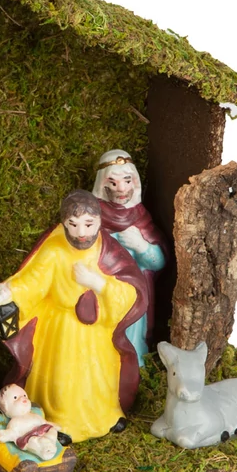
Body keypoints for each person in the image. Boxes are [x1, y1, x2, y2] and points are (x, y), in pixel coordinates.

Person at [0, 190, 146, 441]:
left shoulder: (108, 251)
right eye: (73, 224)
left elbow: (131, 290)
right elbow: (32, 282)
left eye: (88, 224)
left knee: (100, 376)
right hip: (61, 329)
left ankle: (106, 416)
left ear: (99, 221)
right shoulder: (54, 249)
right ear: (64, 223)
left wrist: (98, 283)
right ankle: (60, 421)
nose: (81, 232)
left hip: (98, 331)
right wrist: (8, 292)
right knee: (64, 379)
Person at [91, 149, 167, 363]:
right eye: (113, 183)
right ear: (102, 184)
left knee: (132, 339)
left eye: (126, 181)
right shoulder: (92, 216)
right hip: (101, 291)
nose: (121, 189)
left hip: (134, 295)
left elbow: (159, 262)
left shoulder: (140, 218)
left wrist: (142, 247)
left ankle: (134, 364)